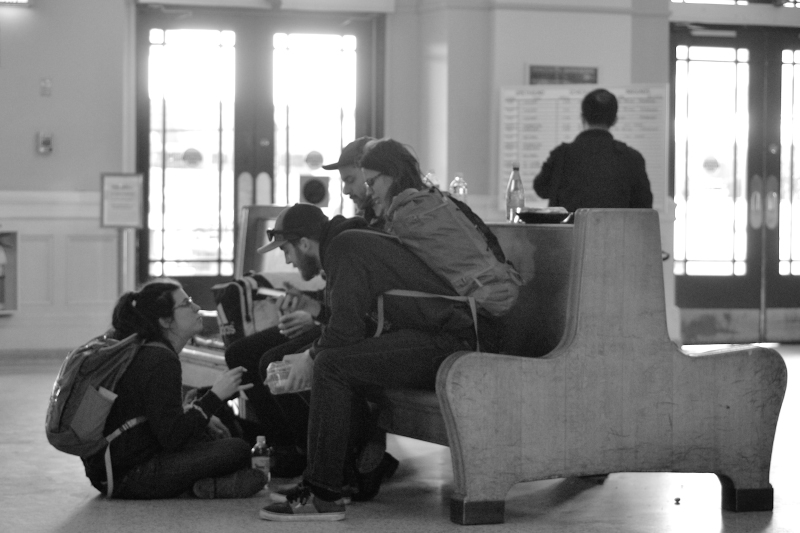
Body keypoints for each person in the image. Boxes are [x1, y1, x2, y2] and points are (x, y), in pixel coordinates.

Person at [258, 141, 487, 522]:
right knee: (331, 362)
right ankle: (346, 475)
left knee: (331, 363)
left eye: (367, 181)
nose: (359, 191)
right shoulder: (350, 242)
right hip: (436, 333)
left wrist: (309, 356)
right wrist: (312, 352)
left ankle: (325, 494)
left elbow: (344, 331)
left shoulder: (346, 246)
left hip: (451, 341)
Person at [223, 136, 376, 476]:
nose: (288, 261)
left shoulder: (343, 246)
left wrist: (316, 321)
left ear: (305, 242)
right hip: (345, 328)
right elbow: (343, 305)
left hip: (365, 338)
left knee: (273, 361)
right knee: (245, 354)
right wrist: (313, 306)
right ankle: (289, 446)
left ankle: (318, 456)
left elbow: (356, 318)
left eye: (286, 251)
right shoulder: (335, 247)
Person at [81, 278, 267, 499]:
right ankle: (203, 487)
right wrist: (215, 397)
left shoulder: (145, 349)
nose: (196, 307)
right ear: (165, 320)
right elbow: (173, 438)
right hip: (130, 476)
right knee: (238, 449)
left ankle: (205, 484)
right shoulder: (160, 359)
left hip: (110, 471)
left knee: (213, 432)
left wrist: (197, 411)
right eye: (186, 303)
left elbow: (155, 418)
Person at [532, 88, 653, 212]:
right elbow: (644, 206)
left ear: (582, 118)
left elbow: (541, 189)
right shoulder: (632, 158)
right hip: (617, 231)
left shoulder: (561, 155)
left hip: (569, 231)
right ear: (615, 120)